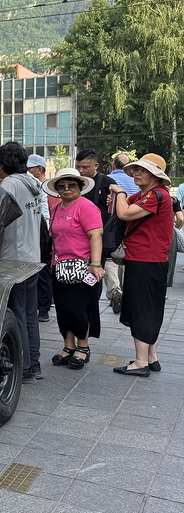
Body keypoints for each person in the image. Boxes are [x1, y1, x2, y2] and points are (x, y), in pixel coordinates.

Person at [109, 154, 174, 377]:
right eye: (135, 170)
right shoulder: (148, 194)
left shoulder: (156, 195)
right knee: (149, 309)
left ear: (155, 174)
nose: (136, 173)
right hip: (148, 260)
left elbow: (124, 212)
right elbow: (125, 205)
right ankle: (151, 357)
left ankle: (140, 362)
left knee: (142, 310)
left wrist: (118, 192)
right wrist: (120, 197)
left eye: (142, 170)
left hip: (146, 260)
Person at [0, 142, 43, 382]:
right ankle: (34, 362)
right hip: (33, 257)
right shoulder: (33, 182)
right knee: (30, 314)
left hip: (15, 259)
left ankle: (23, 368)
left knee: (18, 314)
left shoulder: (11, 184)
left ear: (2, 164)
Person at [46, 168, 104, 370]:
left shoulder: (86, 207)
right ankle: (68, 346)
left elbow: (96, 235)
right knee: (63, 309)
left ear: (80, 187)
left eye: (71, 185)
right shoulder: (55, 209)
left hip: (84, 267)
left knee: (80, 309)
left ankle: (83, 347)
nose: (66, 189)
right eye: (61, 186)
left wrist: (95, 264)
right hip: (60, 268)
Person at [75, 149, 117, 311]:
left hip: (98, 238)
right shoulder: (74, 183)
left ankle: (91, 305)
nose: (81, 171)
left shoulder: (108, 183)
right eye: (78, 167)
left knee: (94, 273)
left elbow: (118, 207)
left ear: (96, 165)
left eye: (85, 167)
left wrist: (113, 199)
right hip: (77, 239)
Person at [103, 153, 139, 312]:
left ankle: (115, 292)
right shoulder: (136, 182)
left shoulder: (108, 180)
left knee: (111, 260)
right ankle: (126, 294)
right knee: (125, 257)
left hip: (113, 225)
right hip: (132, 226)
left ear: (113, 166)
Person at [27, 154, 53, 322]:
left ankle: (43, 308)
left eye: (29, 168)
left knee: (42, 269)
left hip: (42, 230)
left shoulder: (44, 187)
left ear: (39, 169)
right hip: (36, 230)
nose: (27, 171)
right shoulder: (32, 183)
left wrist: (48, 230)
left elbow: (45, 211)